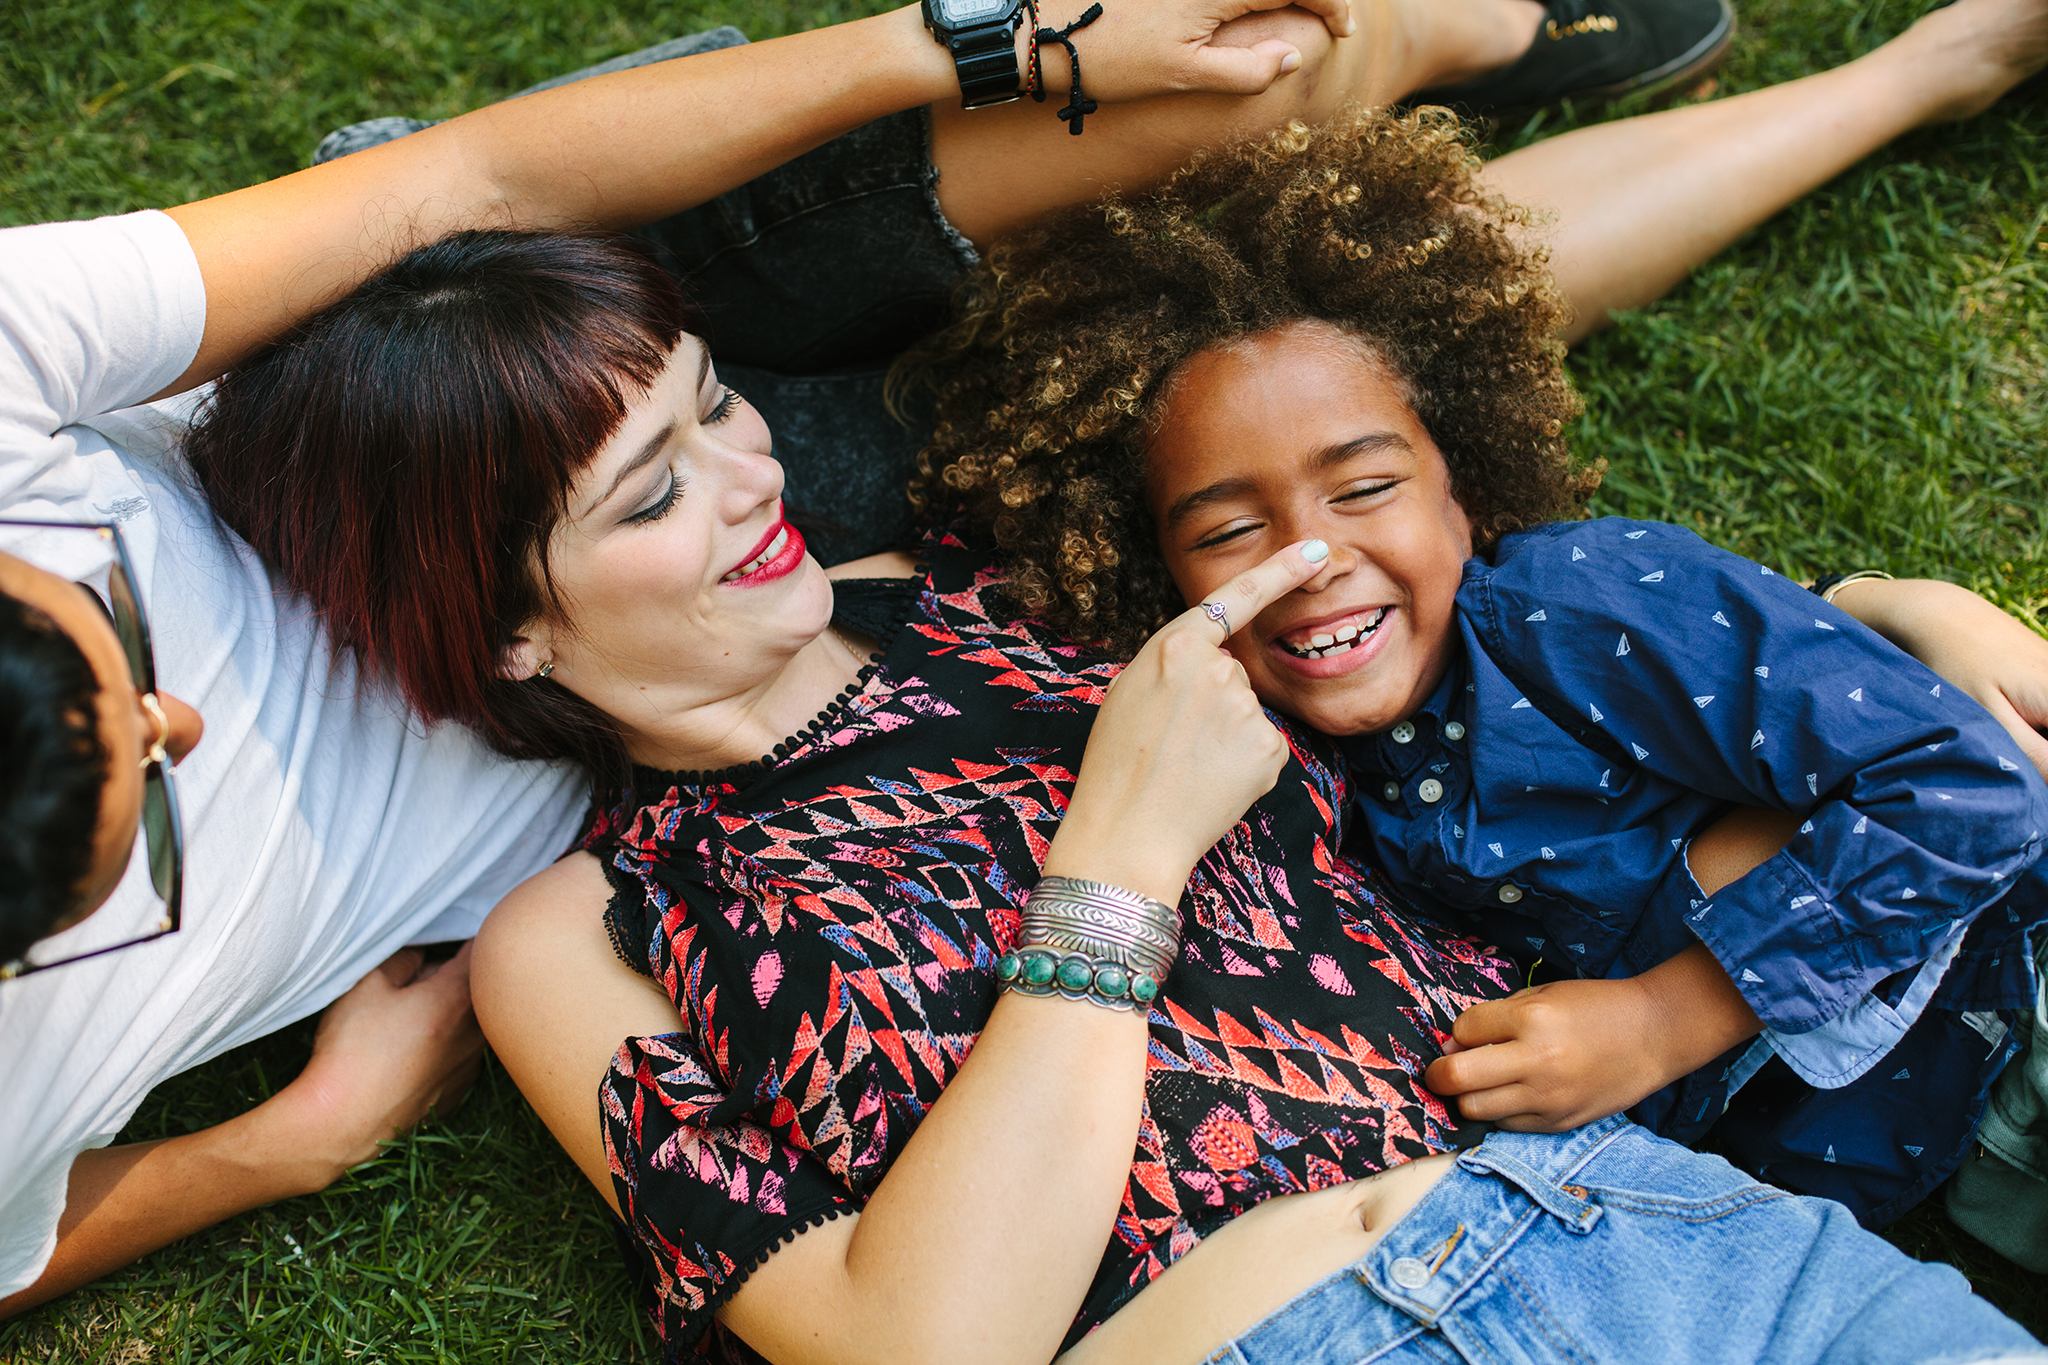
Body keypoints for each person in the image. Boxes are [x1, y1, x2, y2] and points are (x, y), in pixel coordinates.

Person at [152, 8, 2048, 1365]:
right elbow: (907, 1344)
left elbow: (1430, 587)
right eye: (652, 490)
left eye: (715, 408)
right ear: (506, 631)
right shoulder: (586, 935)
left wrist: (1873, 620)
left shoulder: (1022, 573)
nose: (749, 482)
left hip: (1693, 1245)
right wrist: (1117, 851)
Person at [0, 0, 1400, 1314]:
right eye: (143, 825)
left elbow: (471, 182)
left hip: (486, 345)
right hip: (646, 613)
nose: (181, 718)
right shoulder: (585, 923)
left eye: (102, 631)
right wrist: (298, 1138)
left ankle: (1507, 22)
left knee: (1236, 68)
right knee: (1248, 410)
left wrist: (985, 35)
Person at [908, 78, 2048, 1230]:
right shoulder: (1277, 778)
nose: (1309, 557)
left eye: (1362, 488)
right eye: (1227, 531)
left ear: (1465, 495)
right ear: (1158, 576)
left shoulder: (1572, 607)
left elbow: (1964, 784)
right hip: (1934, 1180)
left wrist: (1661, 1016)